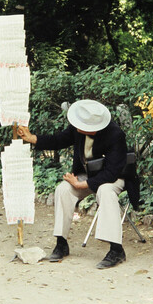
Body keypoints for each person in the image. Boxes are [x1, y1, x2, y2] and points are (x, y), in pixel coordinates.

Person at [18, 99, 128, 269]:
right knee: (63, 189)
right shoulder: (78, 129)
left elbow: (112, 172)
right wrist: (32, 138)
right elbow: (57, 140)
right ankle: (61, 243)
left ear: (95, 126)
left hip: (114, 178)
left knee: (105, 191)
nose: (77, 128)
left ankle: (116, 249)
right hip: (86, 175)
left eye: (82, 125)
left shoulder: (115, 134)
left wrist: (82, 185)